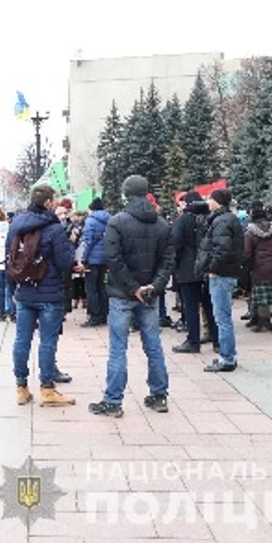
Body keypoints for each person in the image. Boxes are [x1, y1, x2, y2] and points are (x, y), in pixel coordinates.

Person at [89, 176, 175, 418]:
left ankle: (113, 401)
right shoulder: (162, 224)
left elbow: (113, 259)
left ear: (126, 194)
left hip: (122, 293)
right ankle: (159, 395)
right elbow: (168, 260)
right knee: (153, 345)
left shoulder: (117, 222)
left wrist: (133, 287)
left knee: (118, 347)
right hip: (149, 293)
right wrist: (154, 286)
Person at [6, 184, 75, 406]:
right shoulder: (54, 228)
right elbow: (64, 262)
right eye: (53, 200)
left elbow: (10, 259)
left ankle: (21, 388)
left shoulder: (17, 226)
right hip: (50, 293)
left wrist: (13, 290)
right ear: (47, 203)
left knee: (21, 340)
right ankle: (47, 389)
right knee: (47, 342)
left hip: (24, 292)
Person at [196, 189, 244, 373]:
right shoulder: (227, 218)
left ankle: (227, 358)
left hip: (221, 275)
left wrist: (212, 268)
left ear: (218, 201)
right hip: (226, 273)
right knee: (223, 316)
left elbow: (222, 249)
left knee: (222, 318)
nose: (208, 201)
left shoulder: (222, 220)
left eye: (211, 198)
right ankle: (228, 355)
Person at [172, 191, 211, 354]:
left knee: (190, 306)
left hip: (187, 268)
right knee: (209, 305)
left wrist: (174, 265)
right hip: (209, 267)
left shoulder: (182, 220)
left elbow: (176, 244)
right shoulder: (210, 218)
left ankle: (193, 341)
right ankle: (216, 339)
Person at [243, 207, 272, 333]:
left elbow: (247, 253)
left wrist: (248, 267)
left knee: (262, 298)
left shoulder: (249, 233)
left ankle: (263, 324)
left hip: (260, 269)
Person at [81, 198, 110, 327]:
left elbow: (88, 241)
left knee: (91, 288)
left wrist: (83, 258)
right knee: (101, 286)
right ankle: (104, 314)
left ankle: (94, 315)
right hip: (105, 258)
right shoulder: (110, 219)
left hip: (92, 259)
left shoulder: (90, 221)